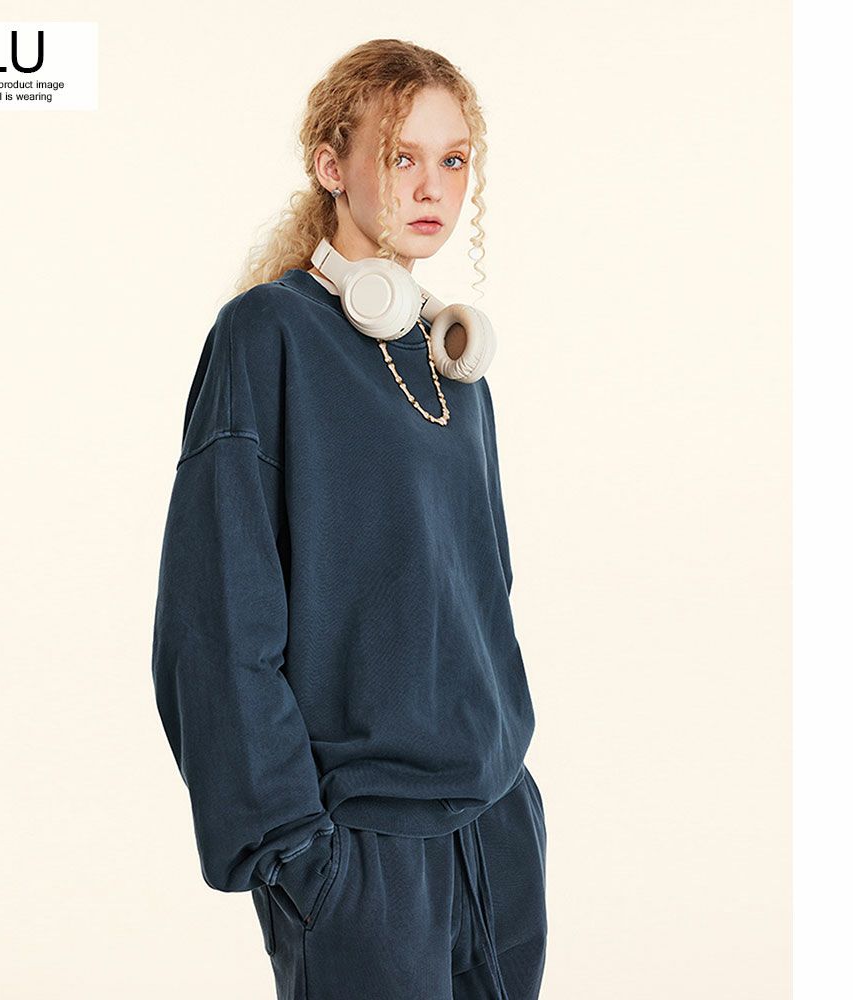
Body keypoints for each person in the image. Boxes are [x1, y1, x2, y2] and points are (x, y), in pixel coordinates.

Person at [151, 38, 548, 1000]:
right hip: (362, 854)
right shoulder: (268, 335)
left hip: (496, 828)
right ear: (332, 166)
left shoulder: (453, 366)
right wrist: (291, 851)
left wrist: (512, 783)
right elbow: (215, 620)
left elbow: (482, 592)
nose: (433, 185)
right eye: (401, 155)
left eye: (453, 159)